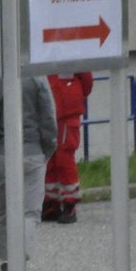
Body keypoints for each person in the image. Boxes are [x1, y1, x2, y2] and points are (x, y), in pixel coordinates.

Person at [0, 54, 57, 271]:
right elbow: (48, 116)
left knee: (0, 212)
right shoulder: (34, 74)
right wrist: (47, 148)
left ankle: (7, 266)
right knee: (29, 212)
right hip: (29, 151)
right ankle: (21, 261)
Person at [43, 71, 94, 224]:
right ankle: (51, 202)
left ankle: (69, 204)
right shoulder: (44, 51)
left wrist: (71, 96)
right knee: (49, 159)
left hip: (66, 114)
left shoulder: (73, 51)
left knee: (64, 159)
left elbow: (87, 82)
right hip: (48, 112)